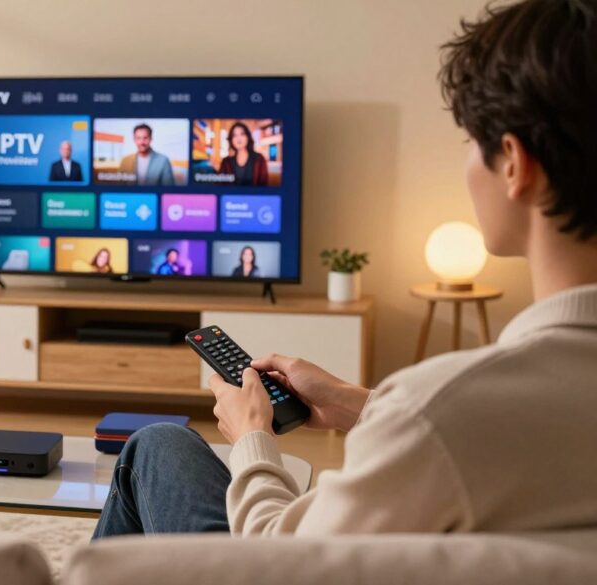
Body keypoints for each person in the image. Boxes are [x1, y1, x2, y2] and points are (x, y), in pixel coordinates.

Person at [94, 0, 597, 540]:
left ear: (515, 164)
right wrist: (361, 405)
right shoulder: (464, 411)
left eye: (471, 141)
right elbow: (478, 436)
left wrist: (252, 435)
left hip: (264, 564)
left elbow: (282, 560)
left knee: (155, 444)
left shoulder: (444, 409)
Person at [217, 122, 270, 186]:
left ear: (248, 137)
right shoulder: (226, 162)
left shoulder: (259, 159)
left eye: (242, 134)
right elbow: (220, 184)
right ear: (231, 140)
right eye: (234, 135)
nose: (238, 138)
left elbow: (263, 185)